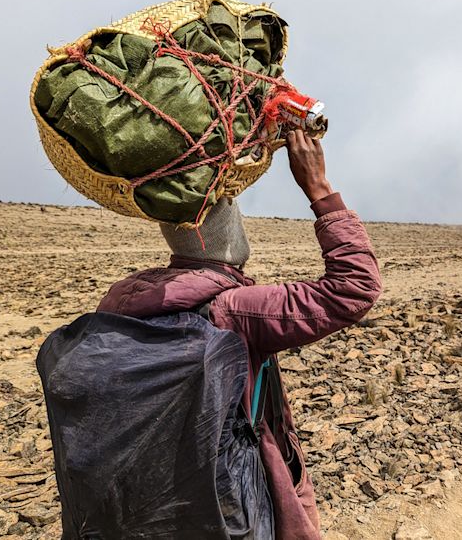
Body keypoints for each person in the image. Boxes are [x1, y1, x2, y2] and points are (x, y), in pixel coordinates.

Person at [97, 129, 382, 539]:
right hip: (236, 498)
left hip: (161, 498)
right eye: (231, 211)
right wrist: (319, 189)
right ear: (222, 231)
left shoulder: (125, 301)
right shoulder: (232, 310)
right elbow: (355, 288)